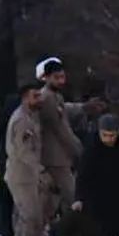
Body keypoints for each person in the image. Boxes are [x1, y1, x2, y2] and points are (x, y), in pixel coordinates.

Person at [35, 57, 93, 222]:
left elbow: (65, 109)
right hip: (55, 159)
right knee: (74, 197)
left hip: (59, 158)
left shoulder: (54, 96)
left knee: (52, 202)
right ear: (46, 77)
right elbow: (62, 130)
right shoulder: (47, 98)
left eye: (63, 77)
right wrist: (81, 152)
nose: (61, 81)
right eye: (57, 78)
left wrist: (83, 107)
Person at [4, 83, 47, 236]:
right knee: (31, 218)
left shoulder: (31, 116)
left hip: (28, 175)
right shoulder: (21, 120)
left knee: (25, 219)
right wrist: (40, 170)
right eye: (34, 96)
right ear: (24, 98)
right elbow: (23, 152)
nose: (39, 99)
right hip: (21, 176)